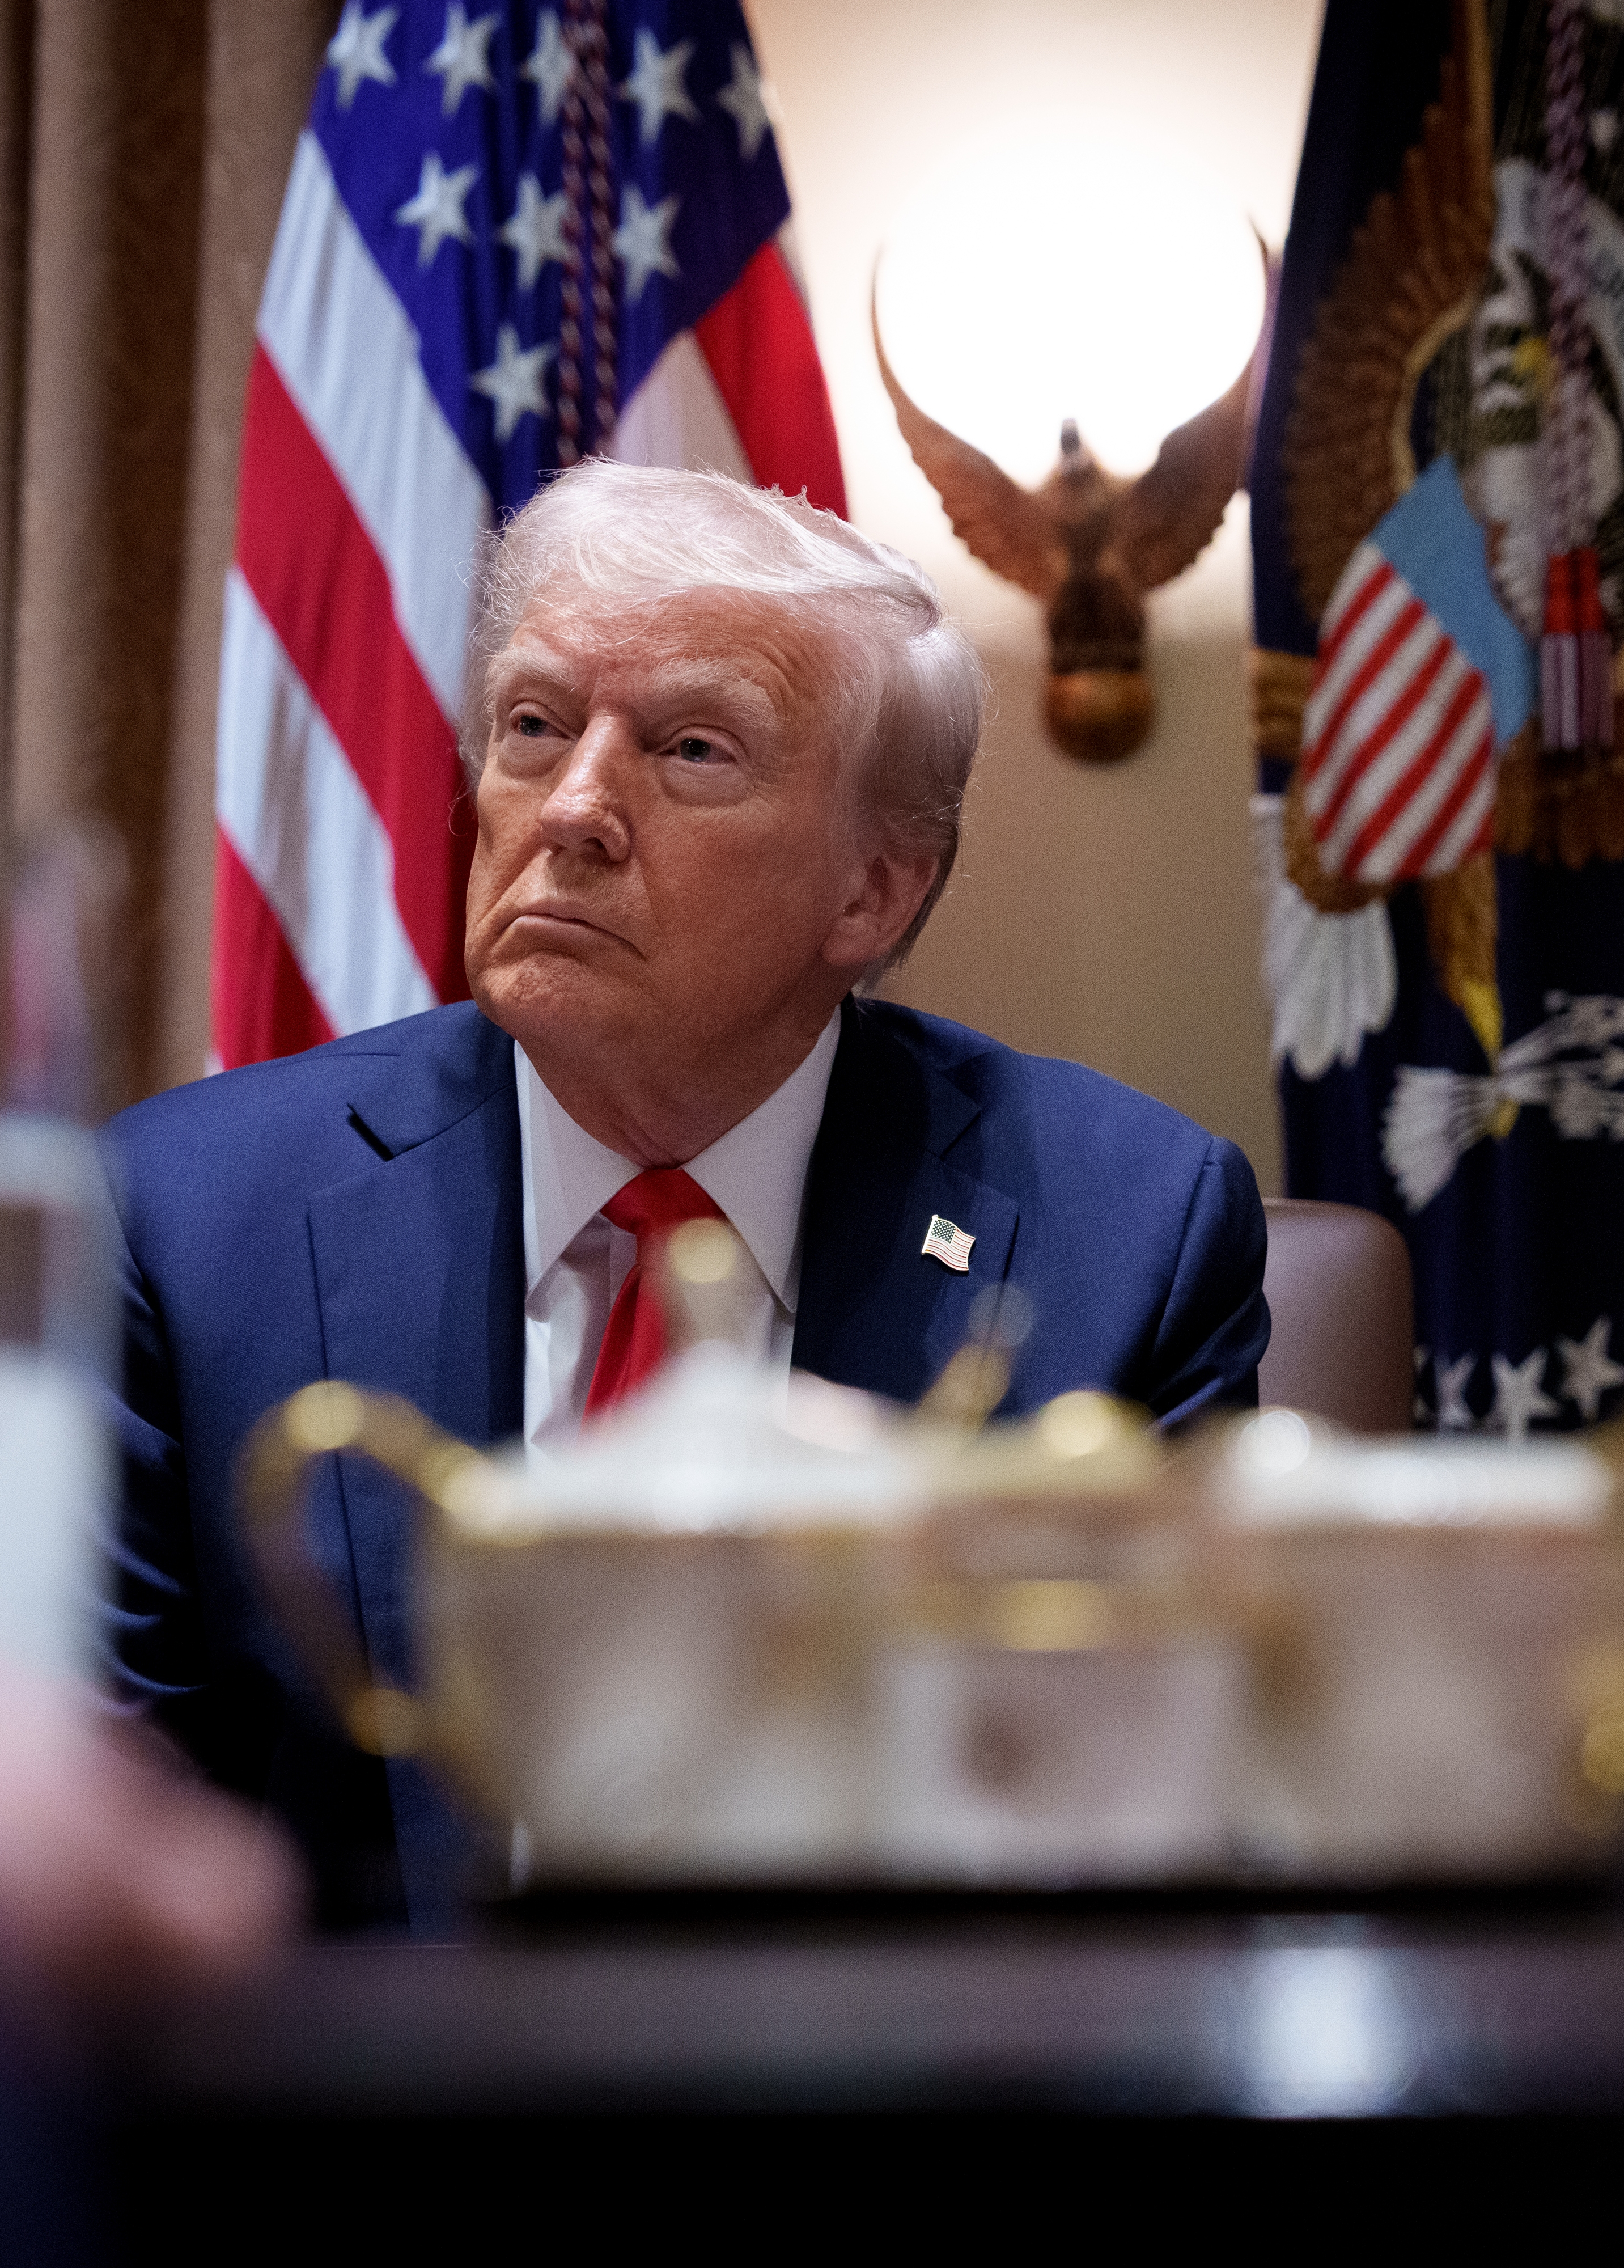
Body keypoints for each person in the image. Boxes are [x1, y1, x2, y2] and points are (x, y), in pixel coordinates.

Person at [101, 463, 1270, 1928]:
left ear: (874, 893)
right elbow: (104, 1833)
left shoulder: (1130, 1238)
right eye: (532, 725)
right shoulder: (190, 1222)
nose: (571, 807)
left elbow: (1148, 1854)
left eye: (692, 750)